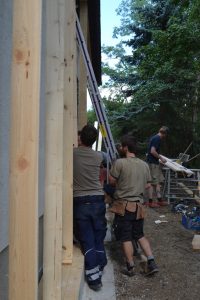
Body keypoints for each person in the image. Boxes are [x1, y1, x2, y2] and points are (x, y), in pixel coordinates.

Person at [109, 134, 159, 276]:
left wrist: (123, 184)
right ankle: (151, 261)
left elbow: (112, 181)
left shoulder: (120, 163)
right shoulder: (144, 164)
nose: (120, 148)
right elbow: (148, 185)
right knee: (139, 235)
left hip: (124, 206)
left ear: (125, 148)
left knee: (126, 237)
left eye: (121, 146)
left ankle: (130, 266)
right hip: (139, 206)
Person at [73, 125, 107, 291]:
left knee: (87, 238)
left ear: (80, 139)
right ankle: (101, 264)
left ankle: (94, 278)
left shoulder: (72, 154)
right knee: (98, 235)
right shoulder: (99, 156)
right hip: (98, 199)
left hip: (81, 201)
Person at [146, 126, 169, 207]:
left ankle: (159, 200)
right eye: (166, 134)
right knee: (152, 182)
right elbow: (152, 151)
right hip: (152, 163)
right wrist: (161, 158)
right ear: (164, 133)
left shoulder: (155, 138)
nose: (165, 137)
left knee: (157, 181)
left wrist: (159, 159)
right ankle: (150, 201)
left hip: (154, 163)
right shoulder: (157, 138)